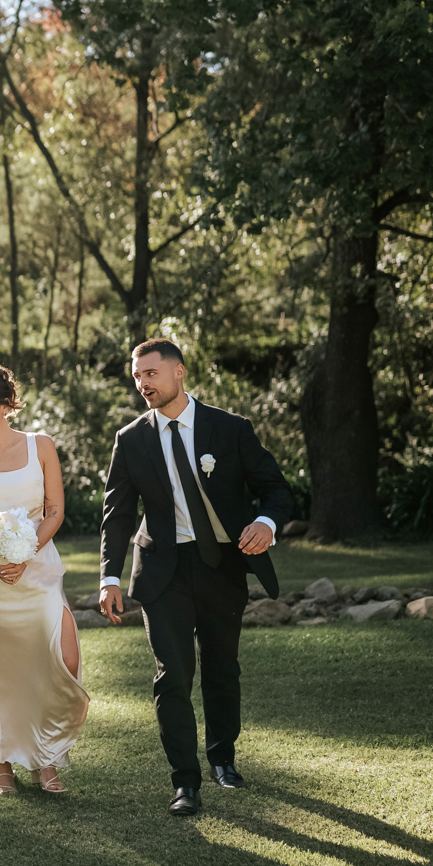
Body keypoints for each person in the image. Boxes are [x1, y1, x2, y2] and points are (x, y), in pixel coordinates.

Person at [99, 340, 291, 816]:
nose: (143, 383)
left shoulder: (229, 428)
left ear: (179, 371)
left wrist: (265, 524)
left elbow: (275, 488)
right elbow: (117, 514)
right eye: (137, 376)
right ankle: (185, 781)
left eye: (151, 373)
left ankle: (223, 758)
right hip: (162, 570)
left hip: (222, 564)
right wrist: (108, 576)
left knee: (222, 667)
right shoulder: (131, 439)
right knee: (173, 673)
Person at [0, 364, 89, 796]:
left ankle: (47, 755)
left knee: (60, 658)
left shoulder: (40, 445)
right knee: (0, 669)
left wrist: (24, 551)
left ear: (6, 404)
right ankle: (4, 764)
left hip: (38, 568)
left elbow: (55, 510)